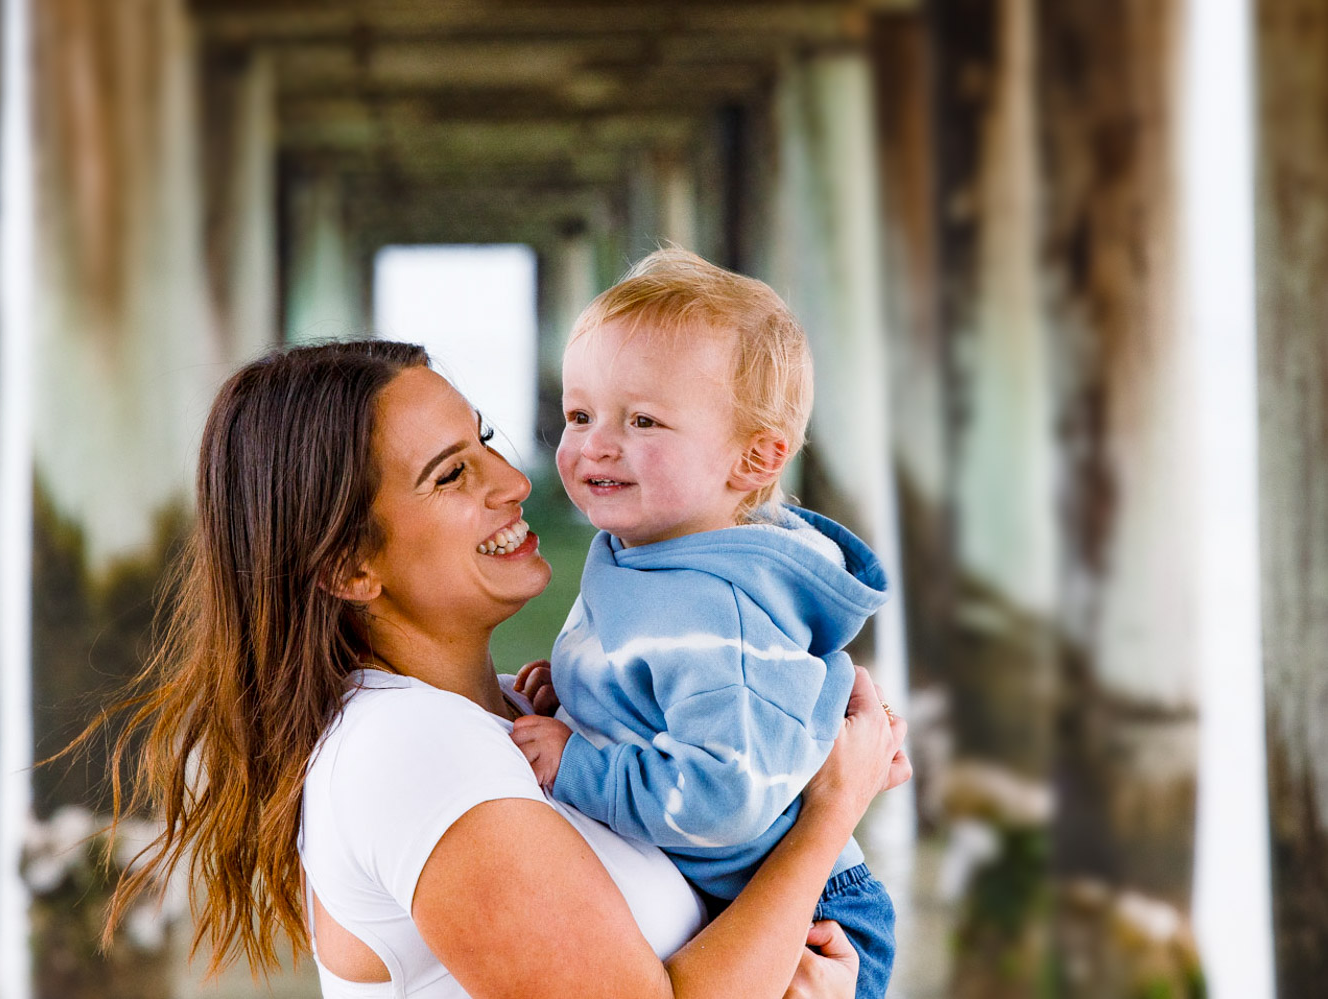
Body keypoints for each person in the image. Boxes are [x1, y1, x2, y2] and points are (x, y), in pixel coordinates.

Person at [96, 340, 909, 999]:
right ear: (349, 567)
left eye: (485, 439)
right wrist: (827, 822)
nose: (516, 481)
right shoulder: (413, 750)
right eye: (452, 474)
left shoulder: (512, 719)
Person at [510, 250, 898, 998]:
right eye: (580, 414)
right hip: (741, 885)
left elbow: (722, 796)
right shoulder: (649, 547)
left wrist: (578, 764)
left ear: (754, 459)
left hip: (808, 913)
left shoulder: (718, 608)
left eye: (644, 420)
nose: (595, 444)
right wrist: (588, 698)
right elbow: (670, 689)